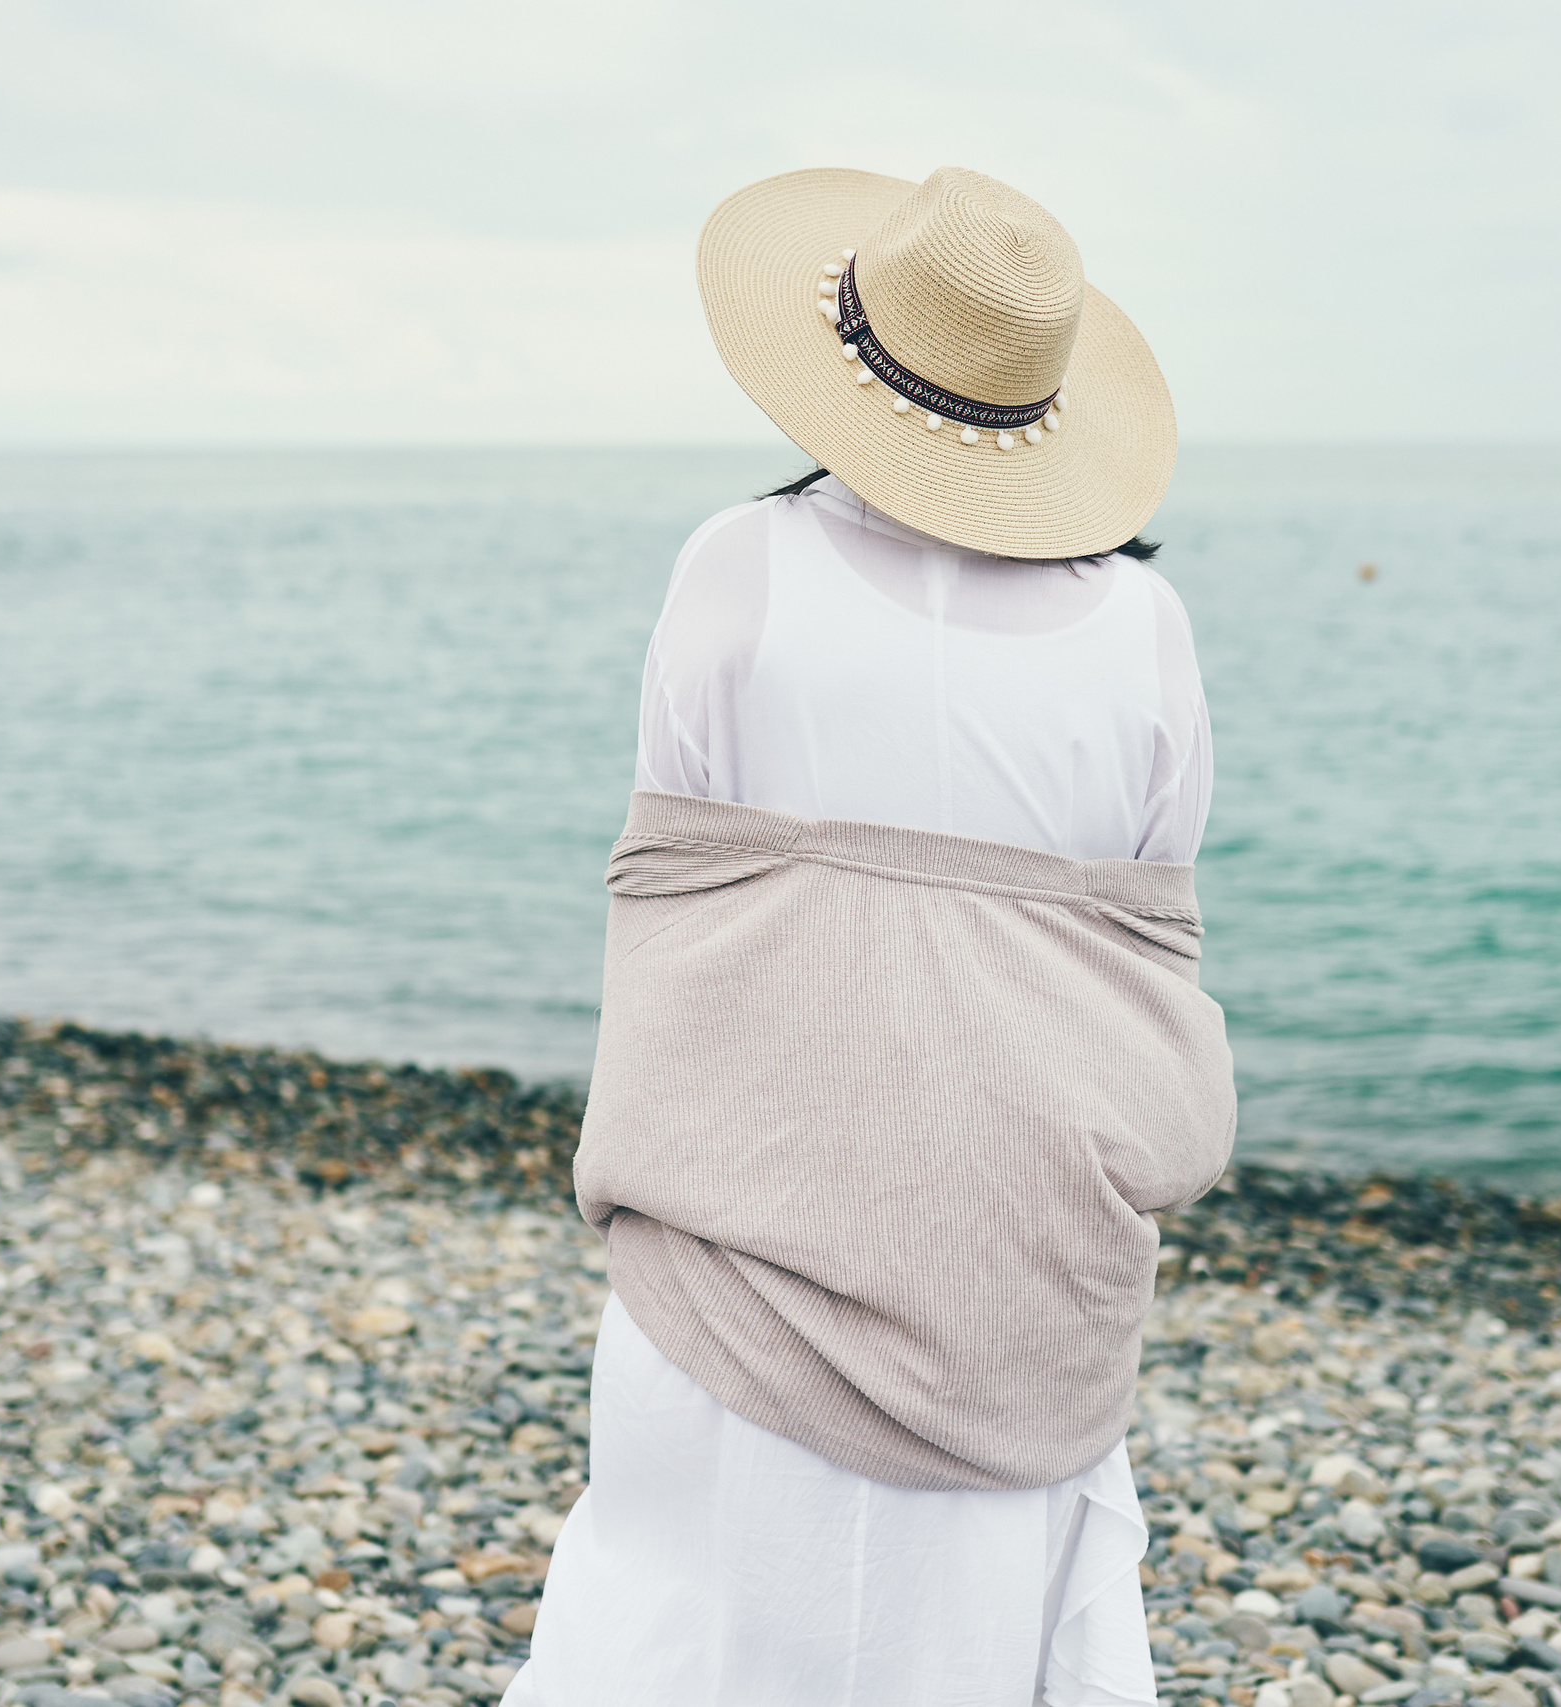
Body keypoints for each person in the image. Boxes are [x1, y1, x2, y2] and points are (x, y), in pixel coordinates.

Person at [502, 166, 1236, 1707]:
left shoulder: (739, 566)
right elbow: (1147, 910)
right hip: (1020, 1278)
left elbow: (686, 856)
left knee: (685, 1628)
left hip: (746, 1238)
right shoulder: (1143, 634)